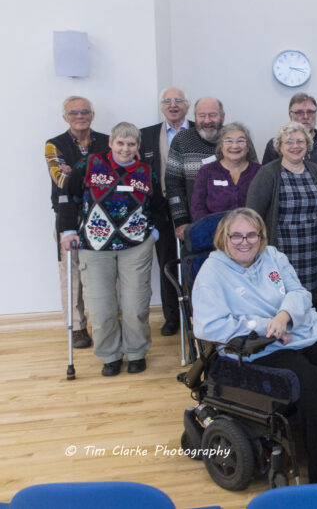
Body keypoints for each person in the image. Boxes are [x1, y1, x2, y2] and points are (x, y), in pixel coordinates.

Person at [191, 208, 317, 483]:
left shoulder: (273, 257)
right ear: (224, 238)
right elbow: (209, 325)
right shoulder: (213, 271)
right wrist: (266, 326)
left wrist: (284, 316)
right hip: (257, 347)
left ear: (261, 236)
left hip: (297, 331)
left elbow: (299, 292)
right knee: (305, 376)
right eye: (237, 236)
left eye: (251, 235)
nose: (245, 242)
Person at [58, 122, 163, 376]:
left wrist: (154, 232)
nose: (126, 149)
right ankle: (110, 355)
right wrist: (68, 230)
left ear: (138, 146)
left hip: (136, 246)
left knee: (135, 304)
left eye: (131, 144)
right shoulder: (89, 165)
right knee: (101, 306)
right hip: (94, 246)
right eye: (121, 143)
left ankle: (137, 352)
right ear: (110, 143)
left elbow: (157, 204)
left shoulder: (146, 170)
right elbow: (67, 197)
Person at [45, 96, 109, 349]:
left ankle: (103, 323)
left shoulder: (107, 141)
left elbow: (111, 176)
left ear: (92, 115)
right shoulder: (53, 145)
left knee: (102, 273)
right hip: (67, 214)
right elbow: (61, 179)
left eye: (84, 111)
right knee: (70, 273)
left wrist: (78, 171)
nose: (80, 116)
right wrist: (95, 171)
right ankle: (77, 328)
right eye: (74, 113)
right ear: (65, 117)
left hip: (102, 216)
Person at [247, 122, 317, 296]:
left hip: (315, 250)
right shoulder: (267, 173)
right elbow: (252, 214)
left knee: (313, 298)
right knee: (282, 296)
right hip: (281, 251)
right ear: (279, 146)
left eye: (300, 142)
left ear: (307, 145)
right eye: (289, 142)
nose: (295, 146)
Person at [140, 88, 190, 336]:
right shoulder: (146, 135)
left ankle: (195, 314)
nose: (173, 105)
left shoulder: (199, 132)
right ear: (161, 107)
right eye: (167, 101)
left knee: (195, 263)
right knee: (167, 263)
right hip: (161, 210)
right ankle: (172, 317)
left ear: (187, 105)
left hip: (194, 210)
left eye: (178, 100)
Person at [166, 97, 224, 238]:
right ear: (195, 117)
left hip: (231, 224)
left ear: (222, 116)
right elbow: (173, 185)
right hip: (194, 224)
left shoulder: (235, 139)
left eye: (213, 115)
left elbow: (253, 180)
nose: (207, 120)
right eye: (201, 115)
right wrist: (181, 221)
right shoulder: (182, 139)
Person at [190, 122, 260, 220]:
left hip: (251, 232)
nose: (235, 146)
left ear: (248, 146)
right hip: (214, 232)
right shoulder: (207, 171)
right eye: (228, 141)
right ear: (221, 146)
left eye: (240, 140)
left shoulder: (260, 172)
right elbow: (197, 208)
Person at [263, 93, 317, 173]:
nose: (305, 116)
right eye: (299, 112)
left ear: (316, 114)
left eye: (310, 112)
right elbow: (267, 178)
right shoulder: (276, 144)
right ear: (290, 116)